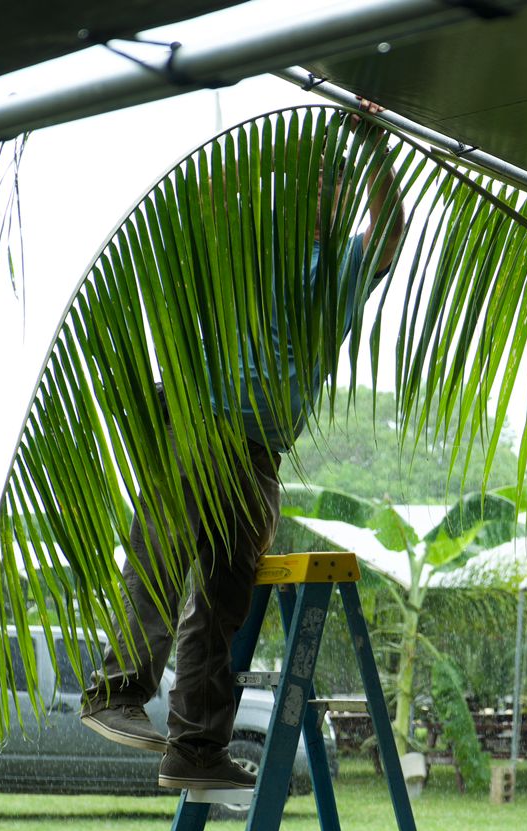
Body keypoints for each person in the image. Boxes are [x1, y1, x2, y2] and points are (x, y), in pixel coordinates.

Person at [79, 104, 406, 791]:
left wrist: (373, 146)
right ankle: (116, 690)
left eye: (333, 187)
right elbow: (201, 208)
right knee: (161, 557)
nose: (322, 197)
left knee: (223, 604)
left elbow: (391, 232)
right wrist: (261, 157)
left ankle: (195, 748)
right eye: (310, 184)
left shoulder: (341, 269)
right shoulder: (248, 255)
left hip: (259, 455)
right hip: (199, 428)